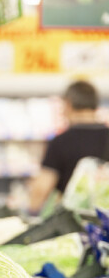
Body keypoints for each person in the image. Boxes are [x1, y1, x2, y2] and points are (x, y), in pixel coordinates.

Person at [28, 80, 109, 214]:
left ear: (68, 104)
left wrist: (31, 215)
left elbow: (41, 189)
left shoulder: (61, 142)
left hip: (72, 225)